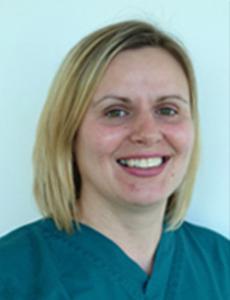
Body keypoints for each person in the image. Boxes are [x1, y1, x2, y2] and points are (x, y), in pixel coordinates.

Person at [0, 20, 229, 299]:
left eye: (167, 110)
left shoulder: (222, 266)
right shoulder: (11, 276)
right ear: (69, 132)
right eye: (116, 112)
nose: (147, 134)